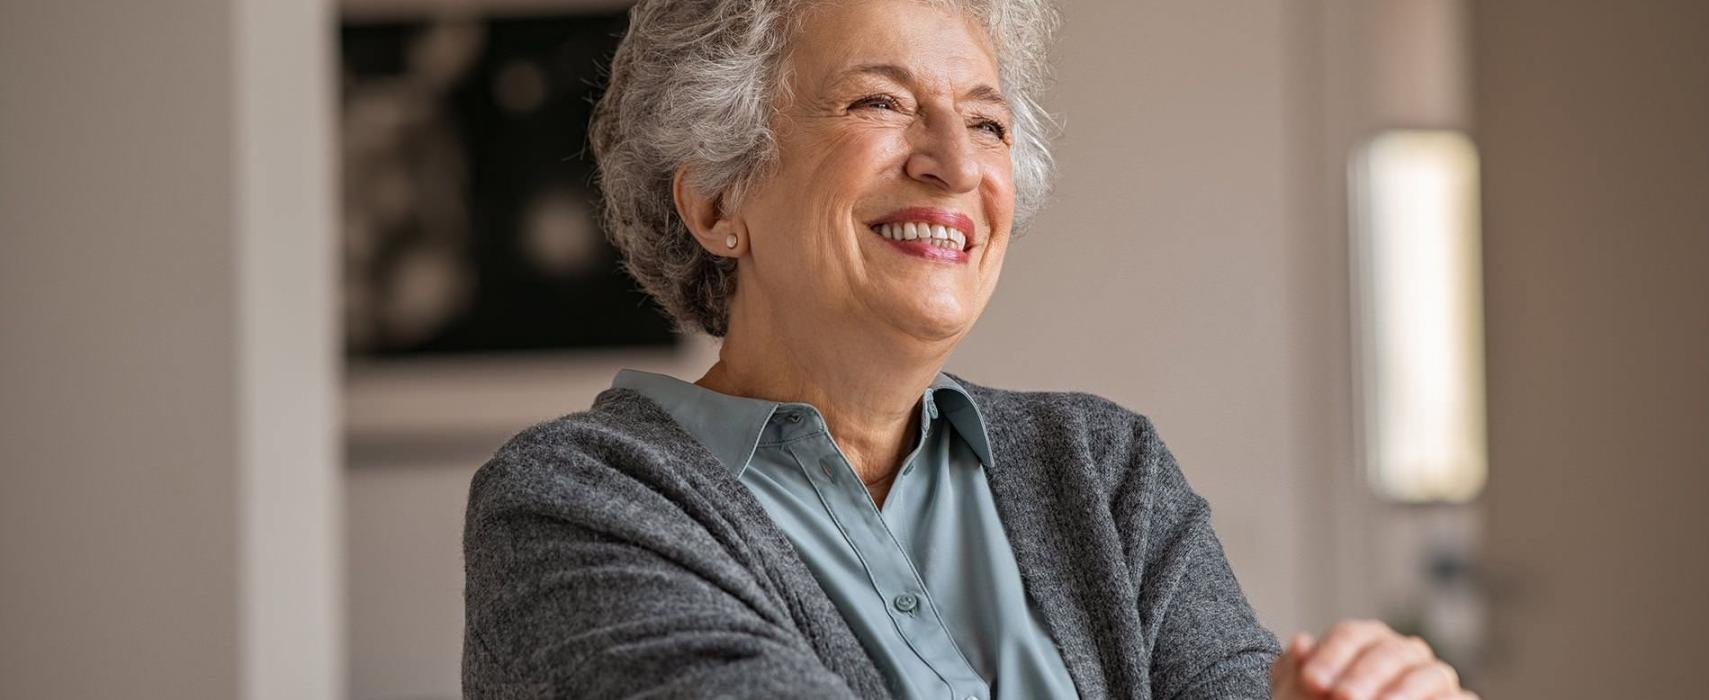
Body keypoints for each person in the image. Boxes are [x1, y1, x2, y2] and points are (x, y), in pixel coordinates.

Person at [462, 1, 1479, 698]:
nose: (955, 165)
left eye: (987, 122)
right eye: (881, 102)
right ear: (719, 197)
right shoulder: (573, 503)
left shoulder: (1104, 470)